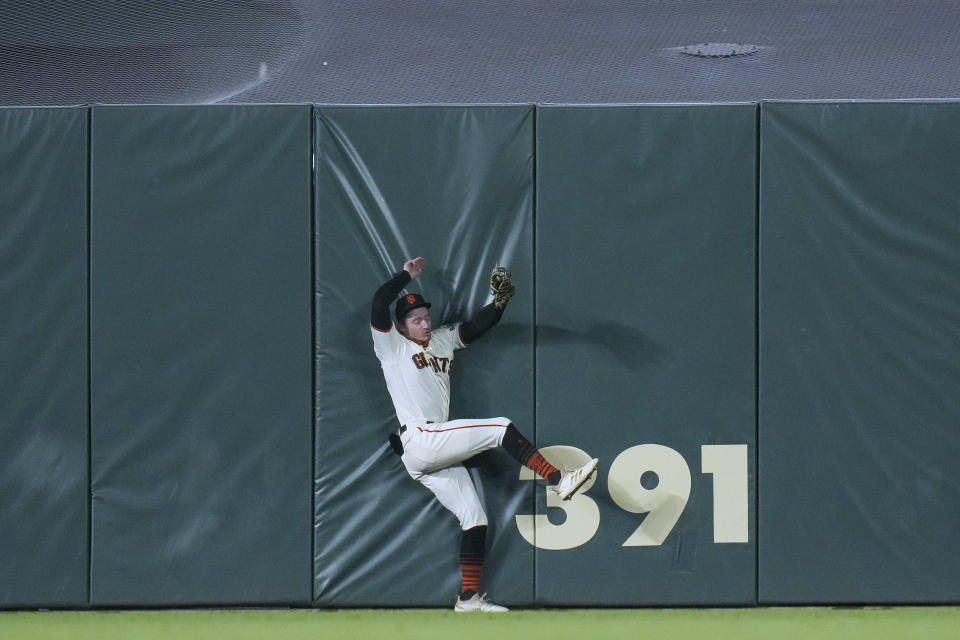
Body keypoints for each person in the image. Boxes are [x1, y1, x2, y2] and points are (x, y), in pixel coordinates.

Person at [370, 256, 598, 612]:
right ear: (401, 327)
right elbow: (379, 302)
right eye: (415, 320)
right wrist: (405, 276)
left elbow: (477, 327)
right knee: (501, 428)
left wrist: (500, 303)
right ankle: (558, 480)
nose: (424, 323)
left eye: (426, 317)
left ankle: (468, 598)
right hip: (420, 438)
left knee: (474, 518)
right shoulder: (391, 347)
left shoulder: (442, 340)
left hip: (429, 451)